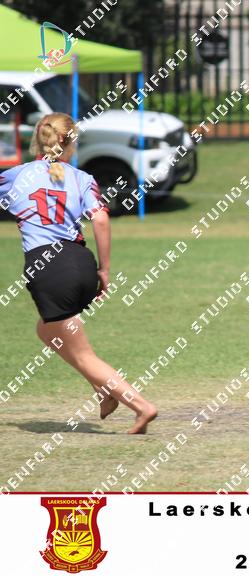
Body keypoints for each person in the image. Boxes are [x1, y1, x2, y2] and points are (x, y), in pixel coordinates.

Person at [0, 113, 158, 434]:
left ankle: (141, 407)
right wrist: (104, 269)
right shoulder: (82, 178)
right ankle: (102, 390)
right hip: (82, 263)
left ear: (37, 140)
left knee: (84, 355)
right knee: (47, 331)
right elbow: (100, 219)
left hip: (48, 268)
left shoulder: (15, 176)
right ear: (70, 145)